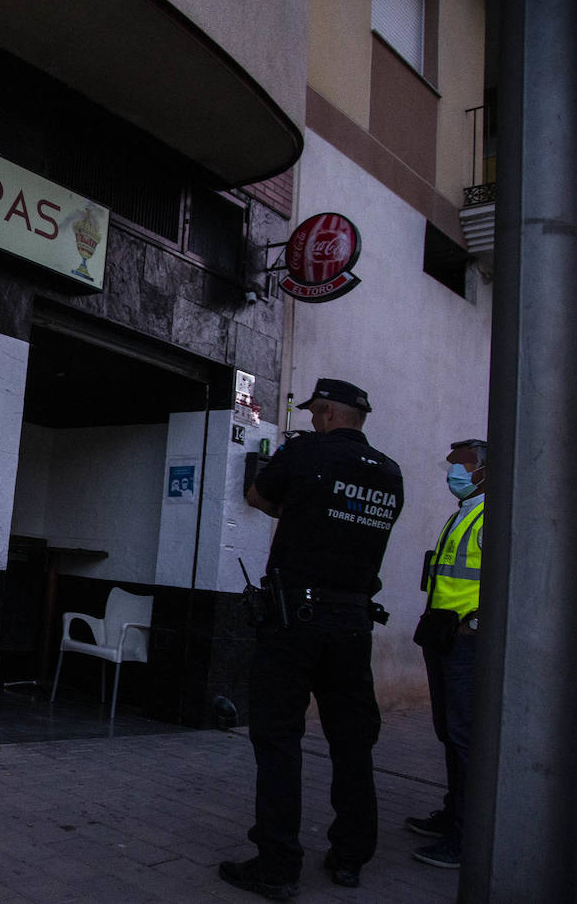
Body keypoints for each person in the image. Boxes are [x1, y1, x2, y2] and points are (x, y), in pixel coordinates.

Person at [220, 378, 404, 900]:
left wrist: (294, 503)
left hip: (294, 620)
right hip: (353, 622)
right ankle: (349, 858)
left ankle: (277, 865)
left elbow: (256, 495)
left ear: (325, 412)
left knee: (279, 740)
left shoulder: (305, 453)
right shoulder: (390, 472)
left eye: (316, 411)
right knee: (352, 742)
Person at [407, 438, 486, 869]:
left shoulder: (490, 513)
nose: (453, 472)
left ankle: (467, 837)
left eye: (462, 465)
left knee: (465, 738)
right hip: (443, 638)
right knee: (450, 734)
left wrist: (471, 626)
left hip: (466, 643)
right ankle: (453, 814)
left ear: (484, 471)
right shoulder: (465, 514)